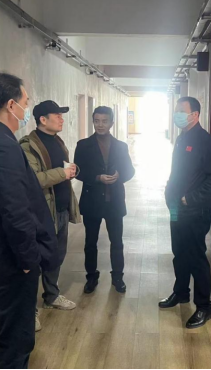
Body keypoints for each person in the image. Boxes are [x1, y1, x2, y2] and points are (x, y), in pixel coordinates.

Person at [0, 73, 57, 370]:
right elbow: (16, 212)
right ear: (11, 105)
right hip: (9, 262)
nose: (27, 108)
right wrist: (28, 260)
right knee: (15, 340)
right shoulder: (0, 146)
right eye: (26, 102)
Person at [160, 97, 211, 330]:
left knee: (196, 255)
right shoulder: (182, 138)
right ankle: (181, 292)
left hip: (195, 210)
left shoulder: (205, 141)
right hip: (176, 208)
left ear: (195, 115)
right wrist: (170, 192)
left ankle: (204, 306)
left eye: (181, 111)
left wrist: (191, 197)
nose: (177, 114)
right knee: (179, 251)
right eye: (176, 110)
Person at [20, 101, 82, 331]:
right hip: (42, 211)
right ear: (43, 120)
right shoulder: (28, 146)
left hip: (61, 207)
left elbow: (61, 170)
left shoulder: (57, 141)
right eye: (57, 115)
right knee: (37, 258)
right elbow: (33, 179)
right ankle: (29, 310)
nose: (61, 119)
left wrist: (72, 170)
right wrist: (62, 173)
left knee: (56, 255)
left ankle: (51, 296)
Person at [74, 106, 135, 294]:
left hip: (114, 202)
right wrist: (97, 177)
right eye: (97, 121)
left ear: (111, 123)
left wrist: (120, 175)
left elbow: (130, 170)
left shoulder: (121, 146)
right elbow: (78, 171)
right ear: (93, 121)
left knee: (116, 241)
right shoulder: (83, 145)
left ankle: (118, 276)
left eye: (104, 121)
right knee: (90, 242)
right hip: (92, 201)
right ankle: (91, 277)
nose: (100, 125)